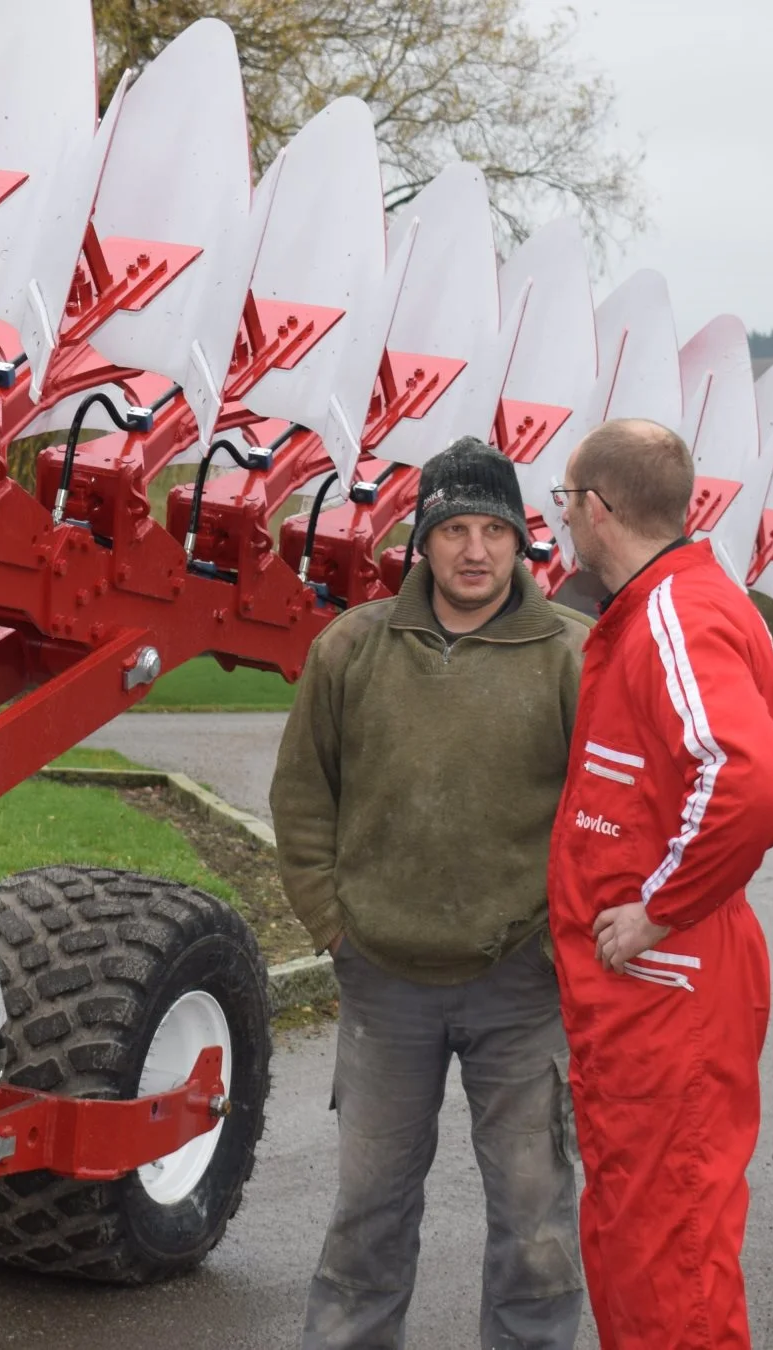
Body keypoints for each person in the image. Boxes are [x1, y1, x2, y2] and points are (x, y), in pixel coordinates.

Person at [273, 437, 593, 1350]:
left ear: (523, 544)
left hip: (523, 988)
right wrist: (334, 928)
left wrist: (557, 944)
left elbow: (606, 816)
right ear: (423, 541)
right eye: (454, 528)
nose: (474, 551)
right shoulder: (351, 649)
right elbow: (302, 799)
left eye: (494, 529)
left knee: (535, 1228)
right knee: (367, 1218)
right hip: (384, 983)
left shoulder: (572, 655)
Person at [546, 418, 773, 1349]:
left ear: (598, 510)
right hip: (647, 1001)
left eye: (568, 500)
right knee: (636, 1235)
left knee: (669, 1252)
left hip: (669, 996)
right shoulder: (671, 605)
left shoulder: (673, 619)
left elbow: (751, 785)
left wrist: (658, 910)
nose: (565, 518)